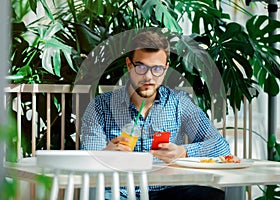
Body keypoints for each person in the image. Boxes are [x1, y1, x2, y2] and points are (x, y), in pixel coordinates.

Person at [80, 30, 230, 200]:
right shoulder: (101, 106)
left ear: (166, 68)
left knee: (212, 196)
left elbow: (221, 147)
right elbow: (88, 158)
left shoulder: (179, 103)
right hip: (119, 192)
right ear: (129, 65)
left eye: (157, 68)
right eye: (141, 67)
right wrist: (106, 154)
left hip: (168, 191)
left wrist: (183, 152)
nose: (149, 76)